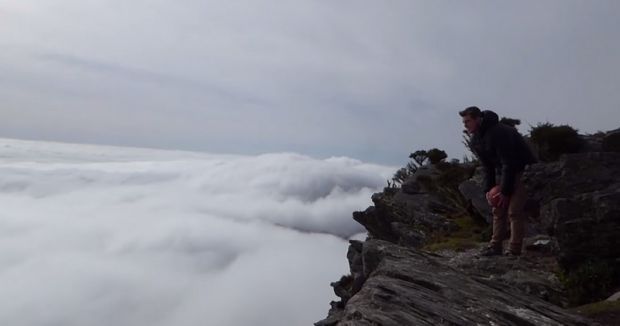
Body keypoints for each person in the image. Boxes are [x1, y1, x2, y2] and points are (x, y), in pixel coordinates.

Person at [459, 106, 537, 256]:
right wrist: (489, 190)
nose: (465, 125)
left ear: (477, 118)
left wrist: (506, 191)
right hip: (505, 171)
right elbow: (488, 167)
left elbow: (509, 162)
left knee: (514, 211)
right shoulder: (476, 139)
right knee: (498, 209)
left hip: (523, 170)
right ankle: (495, 246)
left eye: (467, 121)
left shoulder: (499, 132)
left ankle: (514, 250)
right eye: (464, 122)